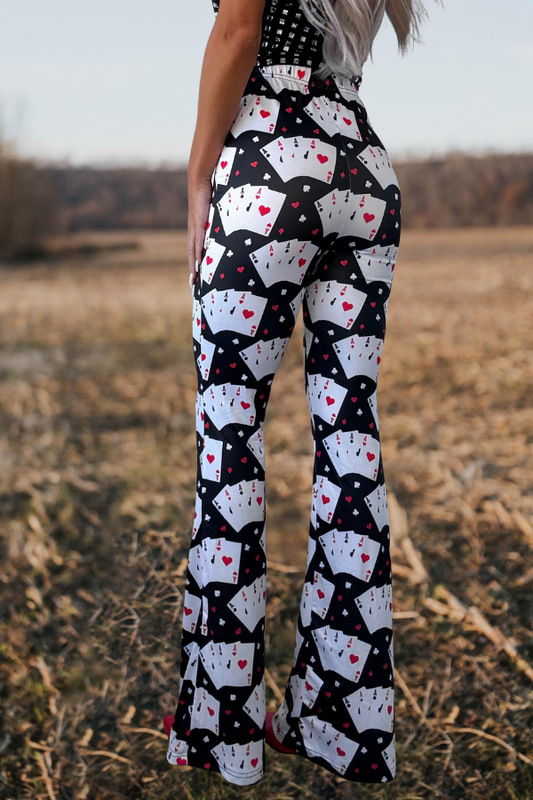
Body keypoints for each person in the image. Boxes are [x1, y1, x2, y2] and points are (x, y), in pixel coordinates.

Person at [163, 0, 439, 786]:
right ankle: (341, 724)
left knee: (229, 439)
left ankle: (223, 724)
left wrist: (198, 172)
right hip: (361, 167)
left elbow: (237, 30)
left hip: (266, 163)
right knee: (351, 441)